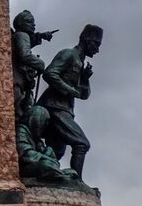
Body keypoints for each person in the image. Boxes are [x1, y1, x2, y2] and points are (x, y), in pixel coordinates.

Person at [36, 24, 102, 179]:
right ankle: (78, 181)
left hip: (65, 110)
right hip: (54, 107)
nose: (97, 49)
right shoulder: (69, 54)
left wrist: (85, 78)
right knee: (81, 143)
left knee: (56, 153)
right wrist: (69, 90)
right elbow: (49, 74)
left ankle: (43, 177)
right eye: (96, 44)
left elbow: (84, 95)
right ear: (86, 40)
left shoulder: (81, 63)